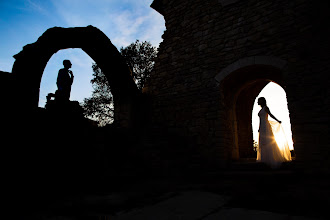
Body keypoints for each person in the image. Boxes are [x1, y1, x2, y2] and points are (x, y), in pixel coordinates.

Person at [256, 97, 291, 169]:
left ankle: (271, 159)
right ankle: (264, 158)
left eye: (259, 101)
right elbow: (260, 120)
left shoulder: (266, 108)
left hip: (266, 126)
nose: (257, 102)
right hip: (262, 126)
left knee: (267, 141)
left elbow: (270, 115)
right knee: (262, 142)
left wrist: (277, 120)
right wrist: (259, 128)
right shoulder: (261, 109)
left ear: (262, 101)